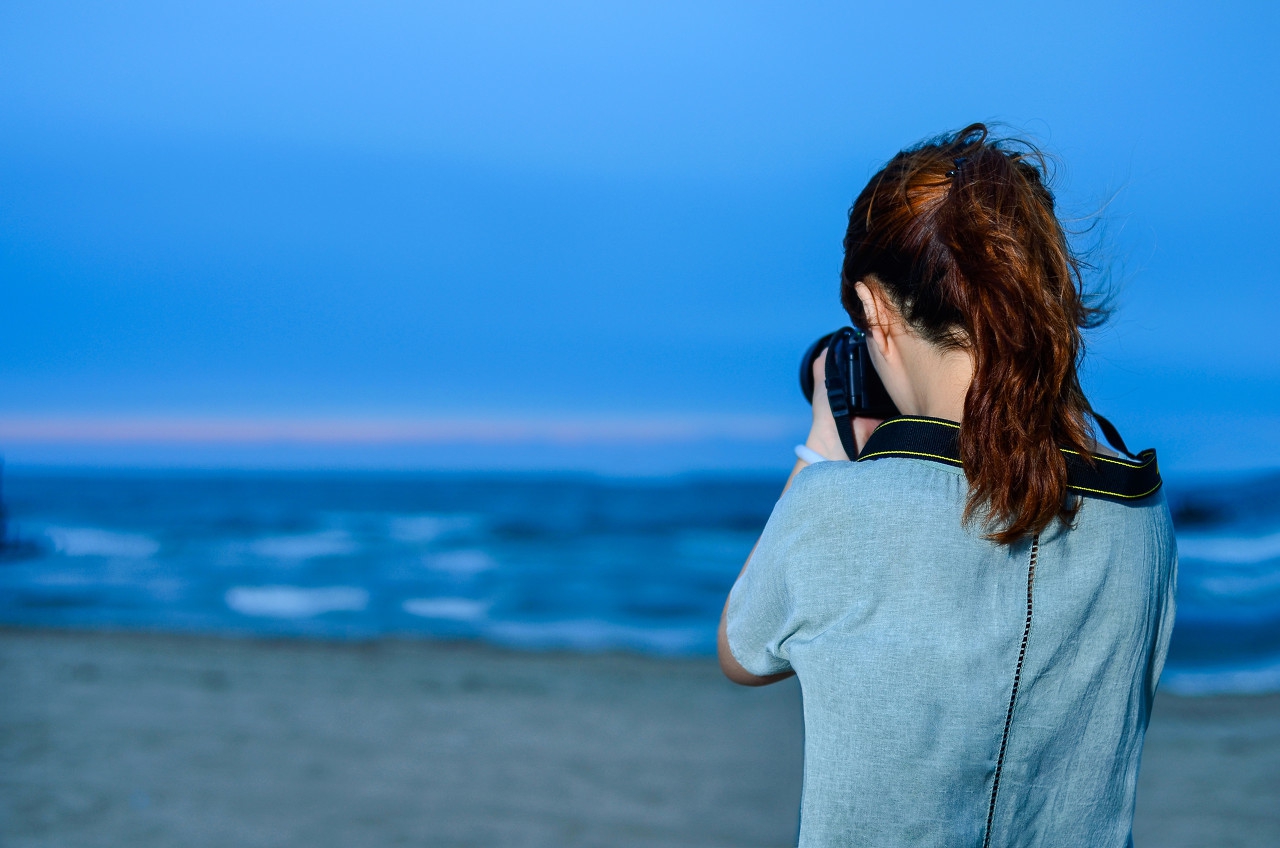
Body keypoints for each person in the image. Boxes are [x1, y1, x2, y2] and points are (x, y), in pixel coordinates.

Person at [717, 124, 1177, 847]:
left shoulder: (836, 508)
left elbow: (743, 650)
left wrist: (824, 442)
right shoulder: (1142, 513)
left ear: (874, 309)